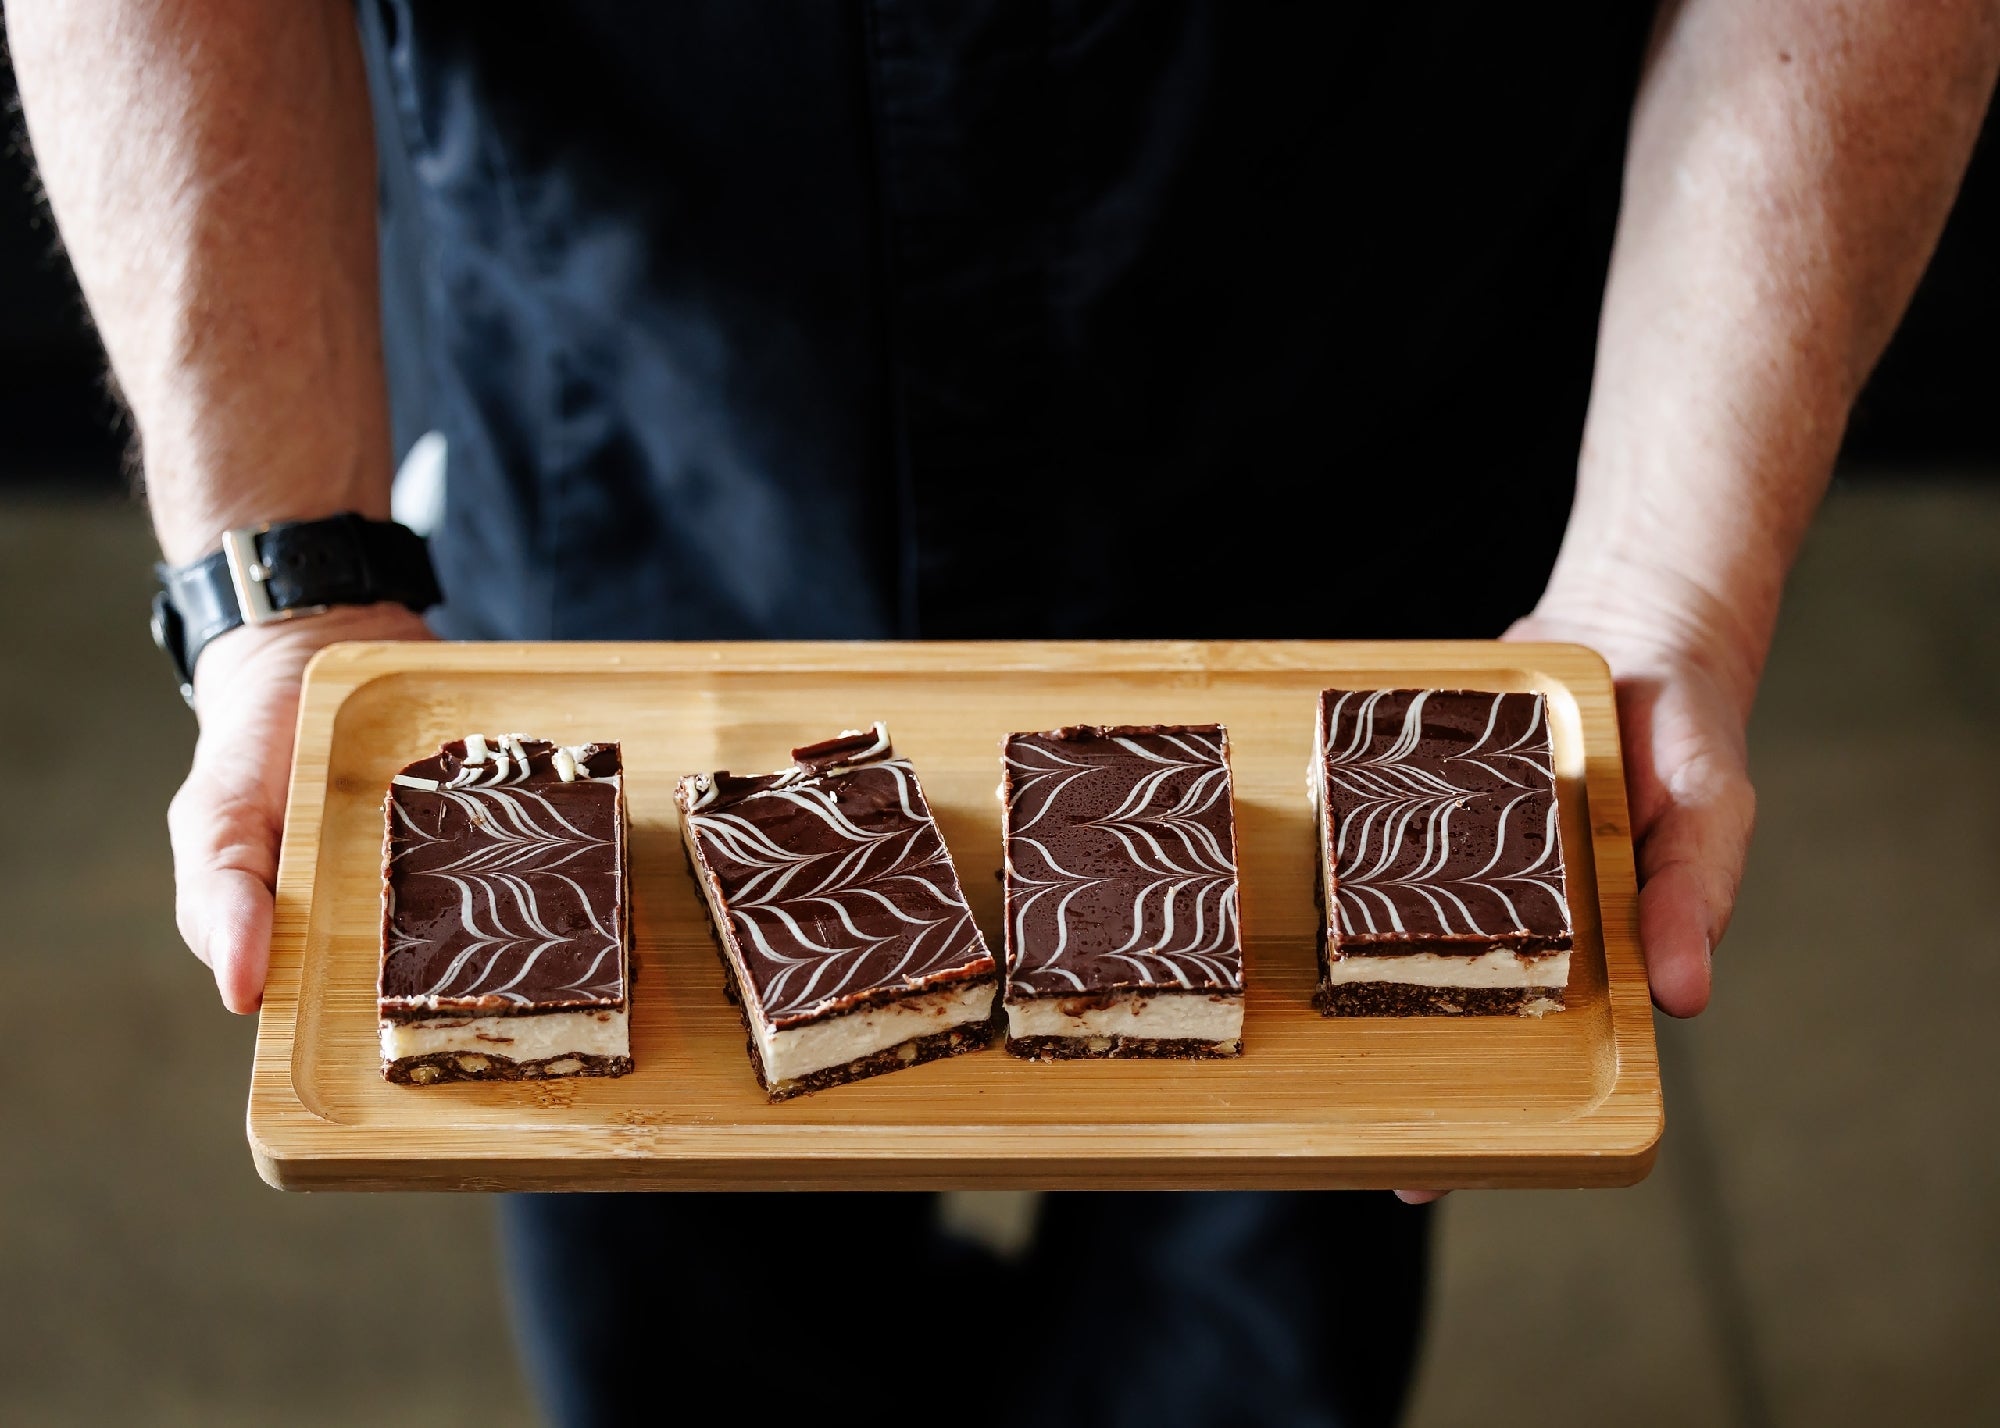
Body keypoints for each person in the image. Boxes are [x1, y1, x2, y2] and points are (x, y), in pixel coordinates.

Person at [12, 3, 1997, 1425]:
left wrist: (1662, 578)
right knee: (688, 1300)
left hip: (1341, 401)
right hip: (630, 406)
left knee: (1257, 1307)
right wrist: (281, 575)